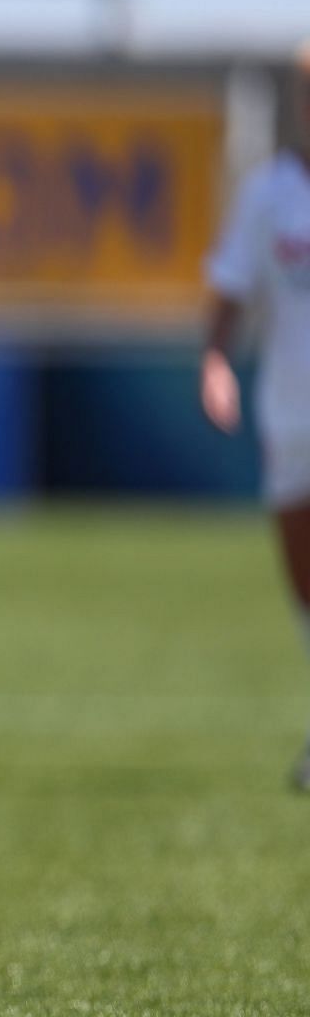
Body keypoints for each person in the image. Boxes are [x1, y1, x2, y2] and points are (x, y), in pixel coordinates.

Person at [201, 42, 310, 791]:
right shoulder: (270, 192)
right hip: (290, 412)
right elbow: (230, 291)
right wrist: (215, 363)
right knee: (304, 584)